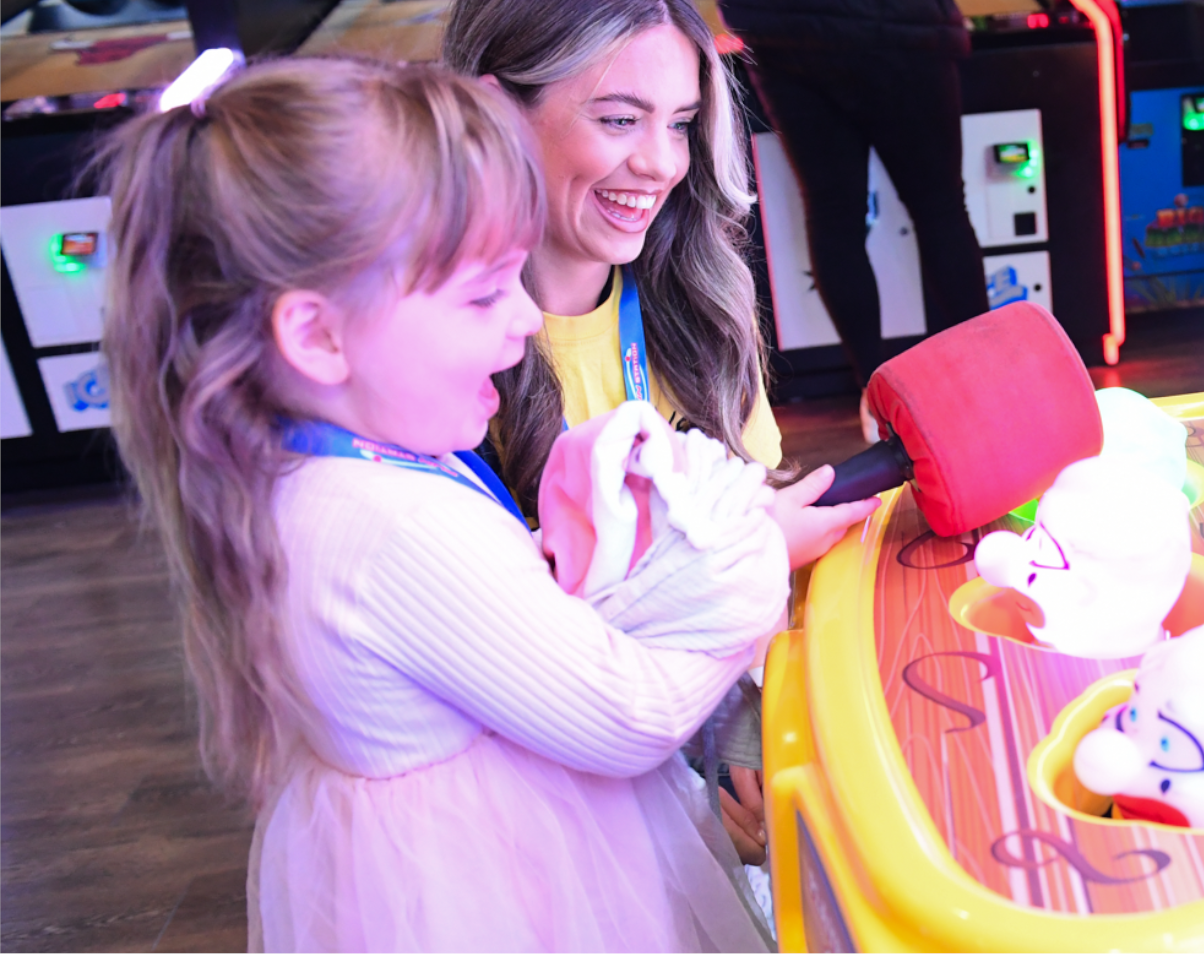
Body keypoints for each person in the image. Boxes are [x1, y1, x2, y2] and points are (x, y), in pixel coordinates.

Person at [100, 56, 787, 951]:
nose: (528, 319)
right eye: (481, 294)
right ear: (315, 334)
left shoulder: (331, 461)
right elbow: (634, 718)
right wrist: (751, 563)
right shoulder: (389, 528)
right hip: (498, 884)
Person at [442, 0, 881, 864]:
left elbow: (755, 530)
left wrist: (768, 757)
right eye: (617, 119)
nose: (661, 164)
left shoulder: (696, 299)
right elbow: (502, 666)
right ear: (491, 111)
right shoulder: (430, 364)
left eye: (680, 123)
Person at [707, 0, 990, 439]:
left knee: (832, 212)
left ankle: (879, 396)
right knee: (940, 206)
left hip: (778, 23)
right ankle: (979, 384)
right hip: (893, 25)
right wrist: (901, 0)